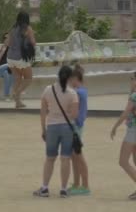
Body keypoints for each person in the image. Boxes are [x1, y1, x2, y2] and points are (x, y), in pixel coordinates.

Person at [33, 66, 79, 198]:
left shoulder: (48, 90)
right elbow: (75, 115)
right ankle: (63, 189)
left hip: (52, 127)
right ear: (70, 77)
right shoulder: (72, 93)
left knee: (50, 159)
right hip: (67, 127)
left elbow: (43, 111)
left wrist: (43, 129)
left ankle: (45, 187)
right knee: (65, 159)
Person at [110, 71, 136, 200]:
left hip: (133, 131)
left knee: (123, 161)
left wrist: (115, 127)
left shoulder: (134, 96)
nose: (130, 81)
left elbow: (125, 113)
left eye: (132, 79)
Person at [69, 64, 90, 196]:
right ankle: (77, 183)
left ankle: (85, 185)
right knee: (74, 156)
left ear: (76, 78)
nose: (70, 82)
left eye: (72, 79)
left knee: (78, 156)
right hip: (75, 126)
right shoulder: (81, 90)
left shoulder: (79, 92)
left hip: (76, 126)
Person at [7, 11, 36, 109]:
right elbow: (33, 42)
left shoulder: (13, 29)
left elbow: (8, 43)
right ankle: (17, 93)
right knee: (28, 79)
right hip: (20, 58)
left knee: (18, 78)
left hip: (10, 57)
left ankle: (17, 102)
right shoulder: (28, 28)